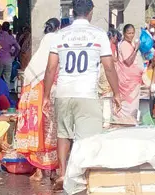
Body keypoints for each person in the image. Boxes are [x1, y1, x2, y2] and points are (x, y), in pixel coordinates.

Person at [45, 0, 116, 181]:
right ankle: (85, 175)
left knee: (63, 134)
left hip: (63, 92)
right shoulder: (98, 35)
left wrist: (46, 95)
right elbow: (109, 67)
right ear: (90, 12)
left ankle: (63, 174)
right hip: (87, 94)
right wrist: (117, 92)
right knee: (89, 138)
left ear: (72, 12)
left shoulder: (60, 35)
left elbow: (51, 68)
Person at [16, 17, 60, 177]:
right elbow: (53, 67)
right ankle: (53, 170)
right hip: (45, 87)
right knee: (50, 129)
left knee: (37, 128)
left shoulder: (44, 42)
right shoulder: (56, 39)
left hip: (34, 85)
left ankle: (40, 170)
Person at [112, 23, 143, 125]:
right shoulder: (125, 45)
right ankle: (125, 123)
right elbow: (128, 62)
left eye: (132, 33)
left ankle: (131, 122)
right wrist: (136, 49)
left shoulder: (130, 44)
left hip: (132, 81)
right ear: (124, 33)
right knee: (127, 105)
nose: (131, 35)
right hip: (127, 81)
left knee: (133, 105)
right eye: (129, 33)